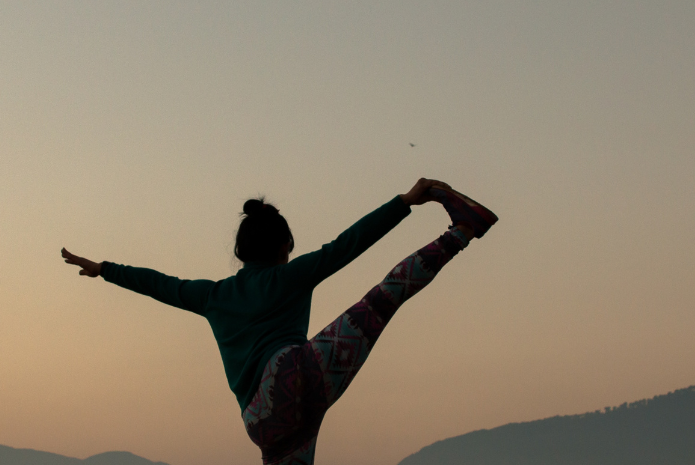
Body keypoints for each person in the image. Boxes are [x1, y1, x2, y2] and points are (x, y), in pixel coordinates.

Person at [61, 178, 498, 465]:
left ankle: (462, 230)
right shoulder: (289, 276)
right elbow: (347, 245)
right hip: (295, 378)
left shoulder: (212, 296)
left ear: (239, 254)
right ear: (285, 244)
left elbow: (160, 284)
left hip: (263, 425)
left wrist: (105, 269)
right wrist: (404, 202)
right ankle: (461, 231)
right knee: (383, 298)